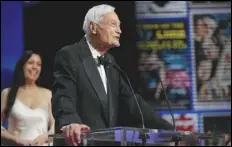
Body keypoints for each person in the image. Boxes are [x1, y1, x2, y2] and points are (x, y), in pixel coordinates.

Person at [52, 4, 173, 146]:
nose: (119, 31)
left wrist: (172, 131)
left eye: (119, 26)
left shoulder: (110, 62)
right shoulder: (70, 55)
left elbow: (134, 103)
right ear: (93, 27)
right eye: (113, 24)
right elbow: (63, 94)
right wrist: (70, 122)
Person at [1, 50, 55, 146]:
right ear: (22, 66)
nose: (35, 67)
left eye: (39, 64)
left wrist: (46, 136)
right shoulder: (7, 93)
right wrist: (15, 140)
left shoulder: (48, 94)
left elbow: (54, 125)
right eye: (31, 63)